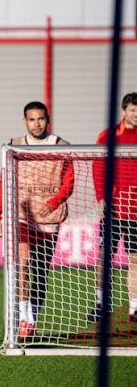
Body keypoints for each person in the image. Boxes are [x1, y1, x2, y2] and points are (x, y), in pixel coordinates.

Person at [0, 101, 74, 338]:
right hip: (22, 215)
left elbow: (69, 182)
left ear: (47, 120)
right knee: (23, 263)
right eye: (32, 119)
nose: (36, 124)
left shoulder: (61, 146)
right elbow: (3, 180)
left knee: (40, 270)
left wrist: (53, 202)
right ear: (24, 121)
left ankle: (32, 318)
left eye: (41, 119)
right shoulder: (14, 146)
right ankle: (24, 318)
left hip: (49, 217)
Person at [88, 92, 137, 323]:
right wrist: (102, 198)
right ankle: (101, 303)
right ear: (124, 111)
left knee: (135, 259)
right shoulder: (109, 136)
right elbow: (98, 167)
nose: (136, 114)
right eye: (133, 110)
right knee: (104, 257)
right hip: (114, 209)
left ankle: (134, 307)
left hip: (136, 210)